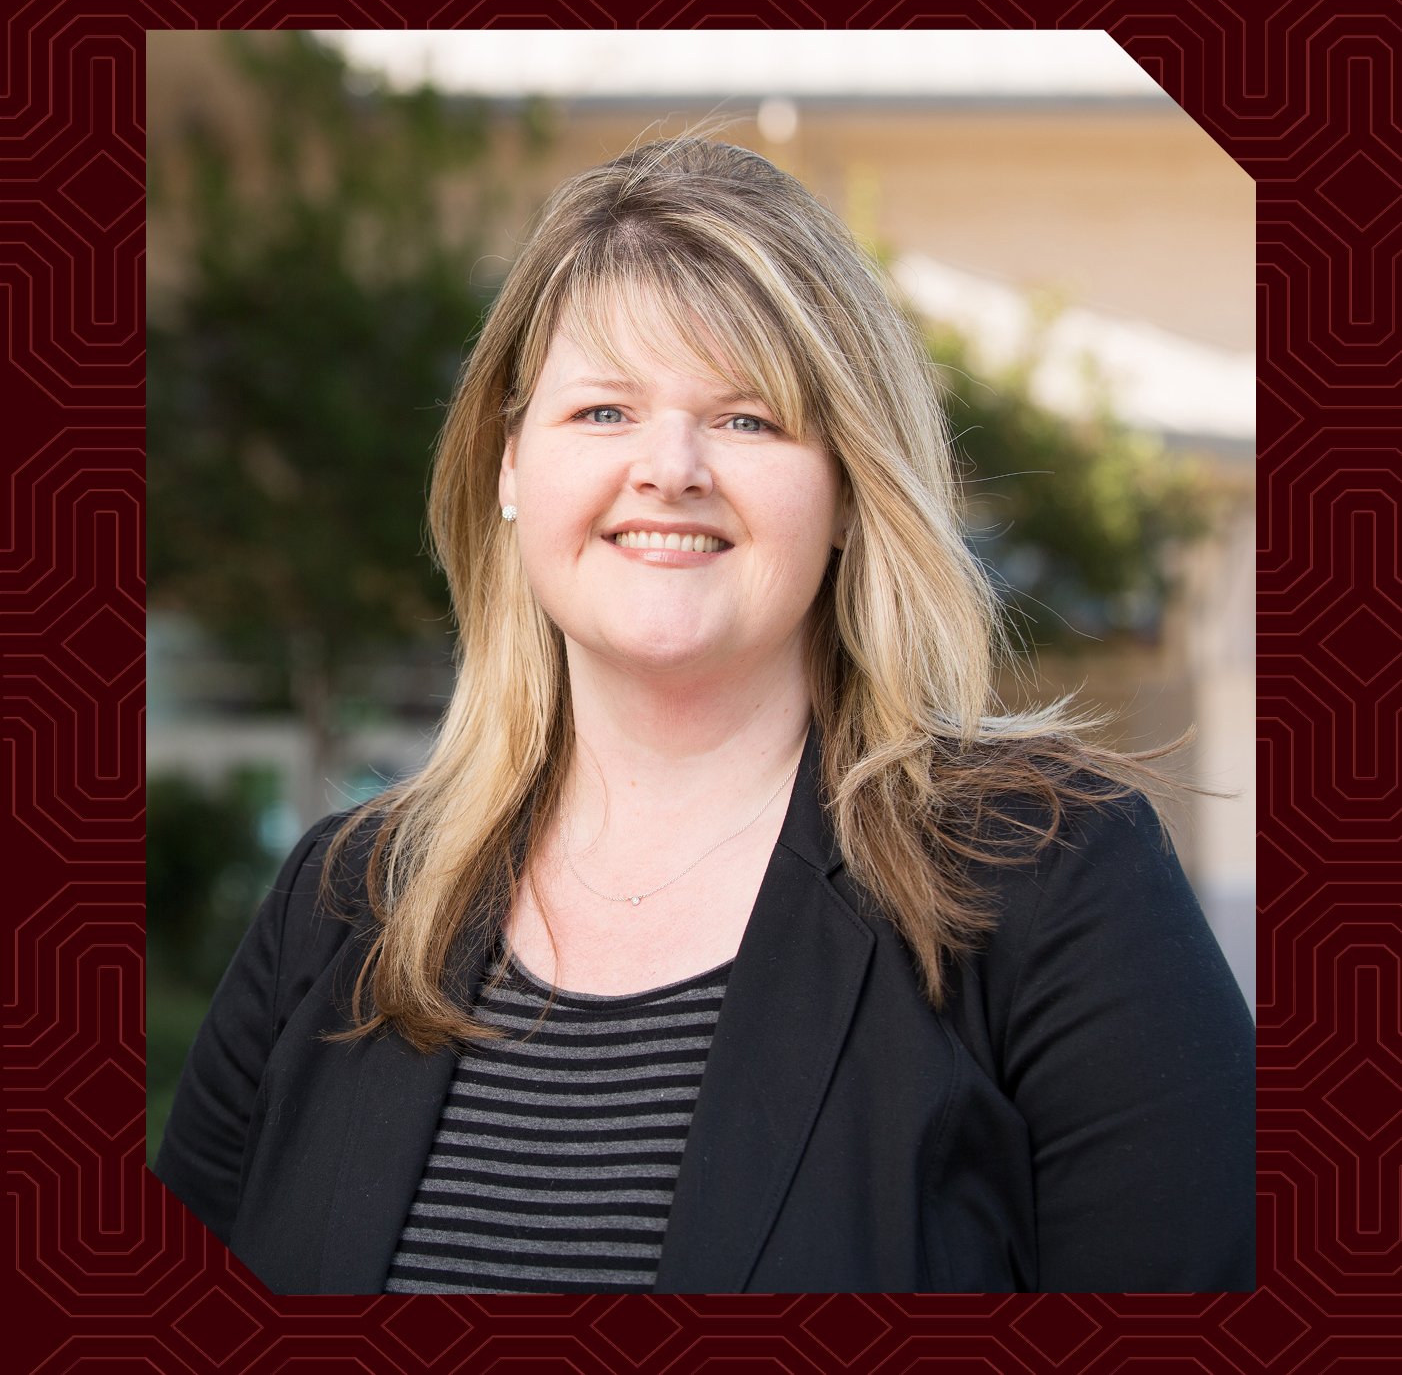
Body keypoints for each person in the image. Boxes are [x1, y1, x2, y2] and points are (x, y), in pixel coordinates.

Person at [154, 136, 1255, 1295]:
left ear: (846, 489)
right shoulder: (342, 903)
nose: (668, 467)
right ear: (509, 469)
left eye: (746, 420)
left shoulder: (1049, 878)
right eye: (602, 412)